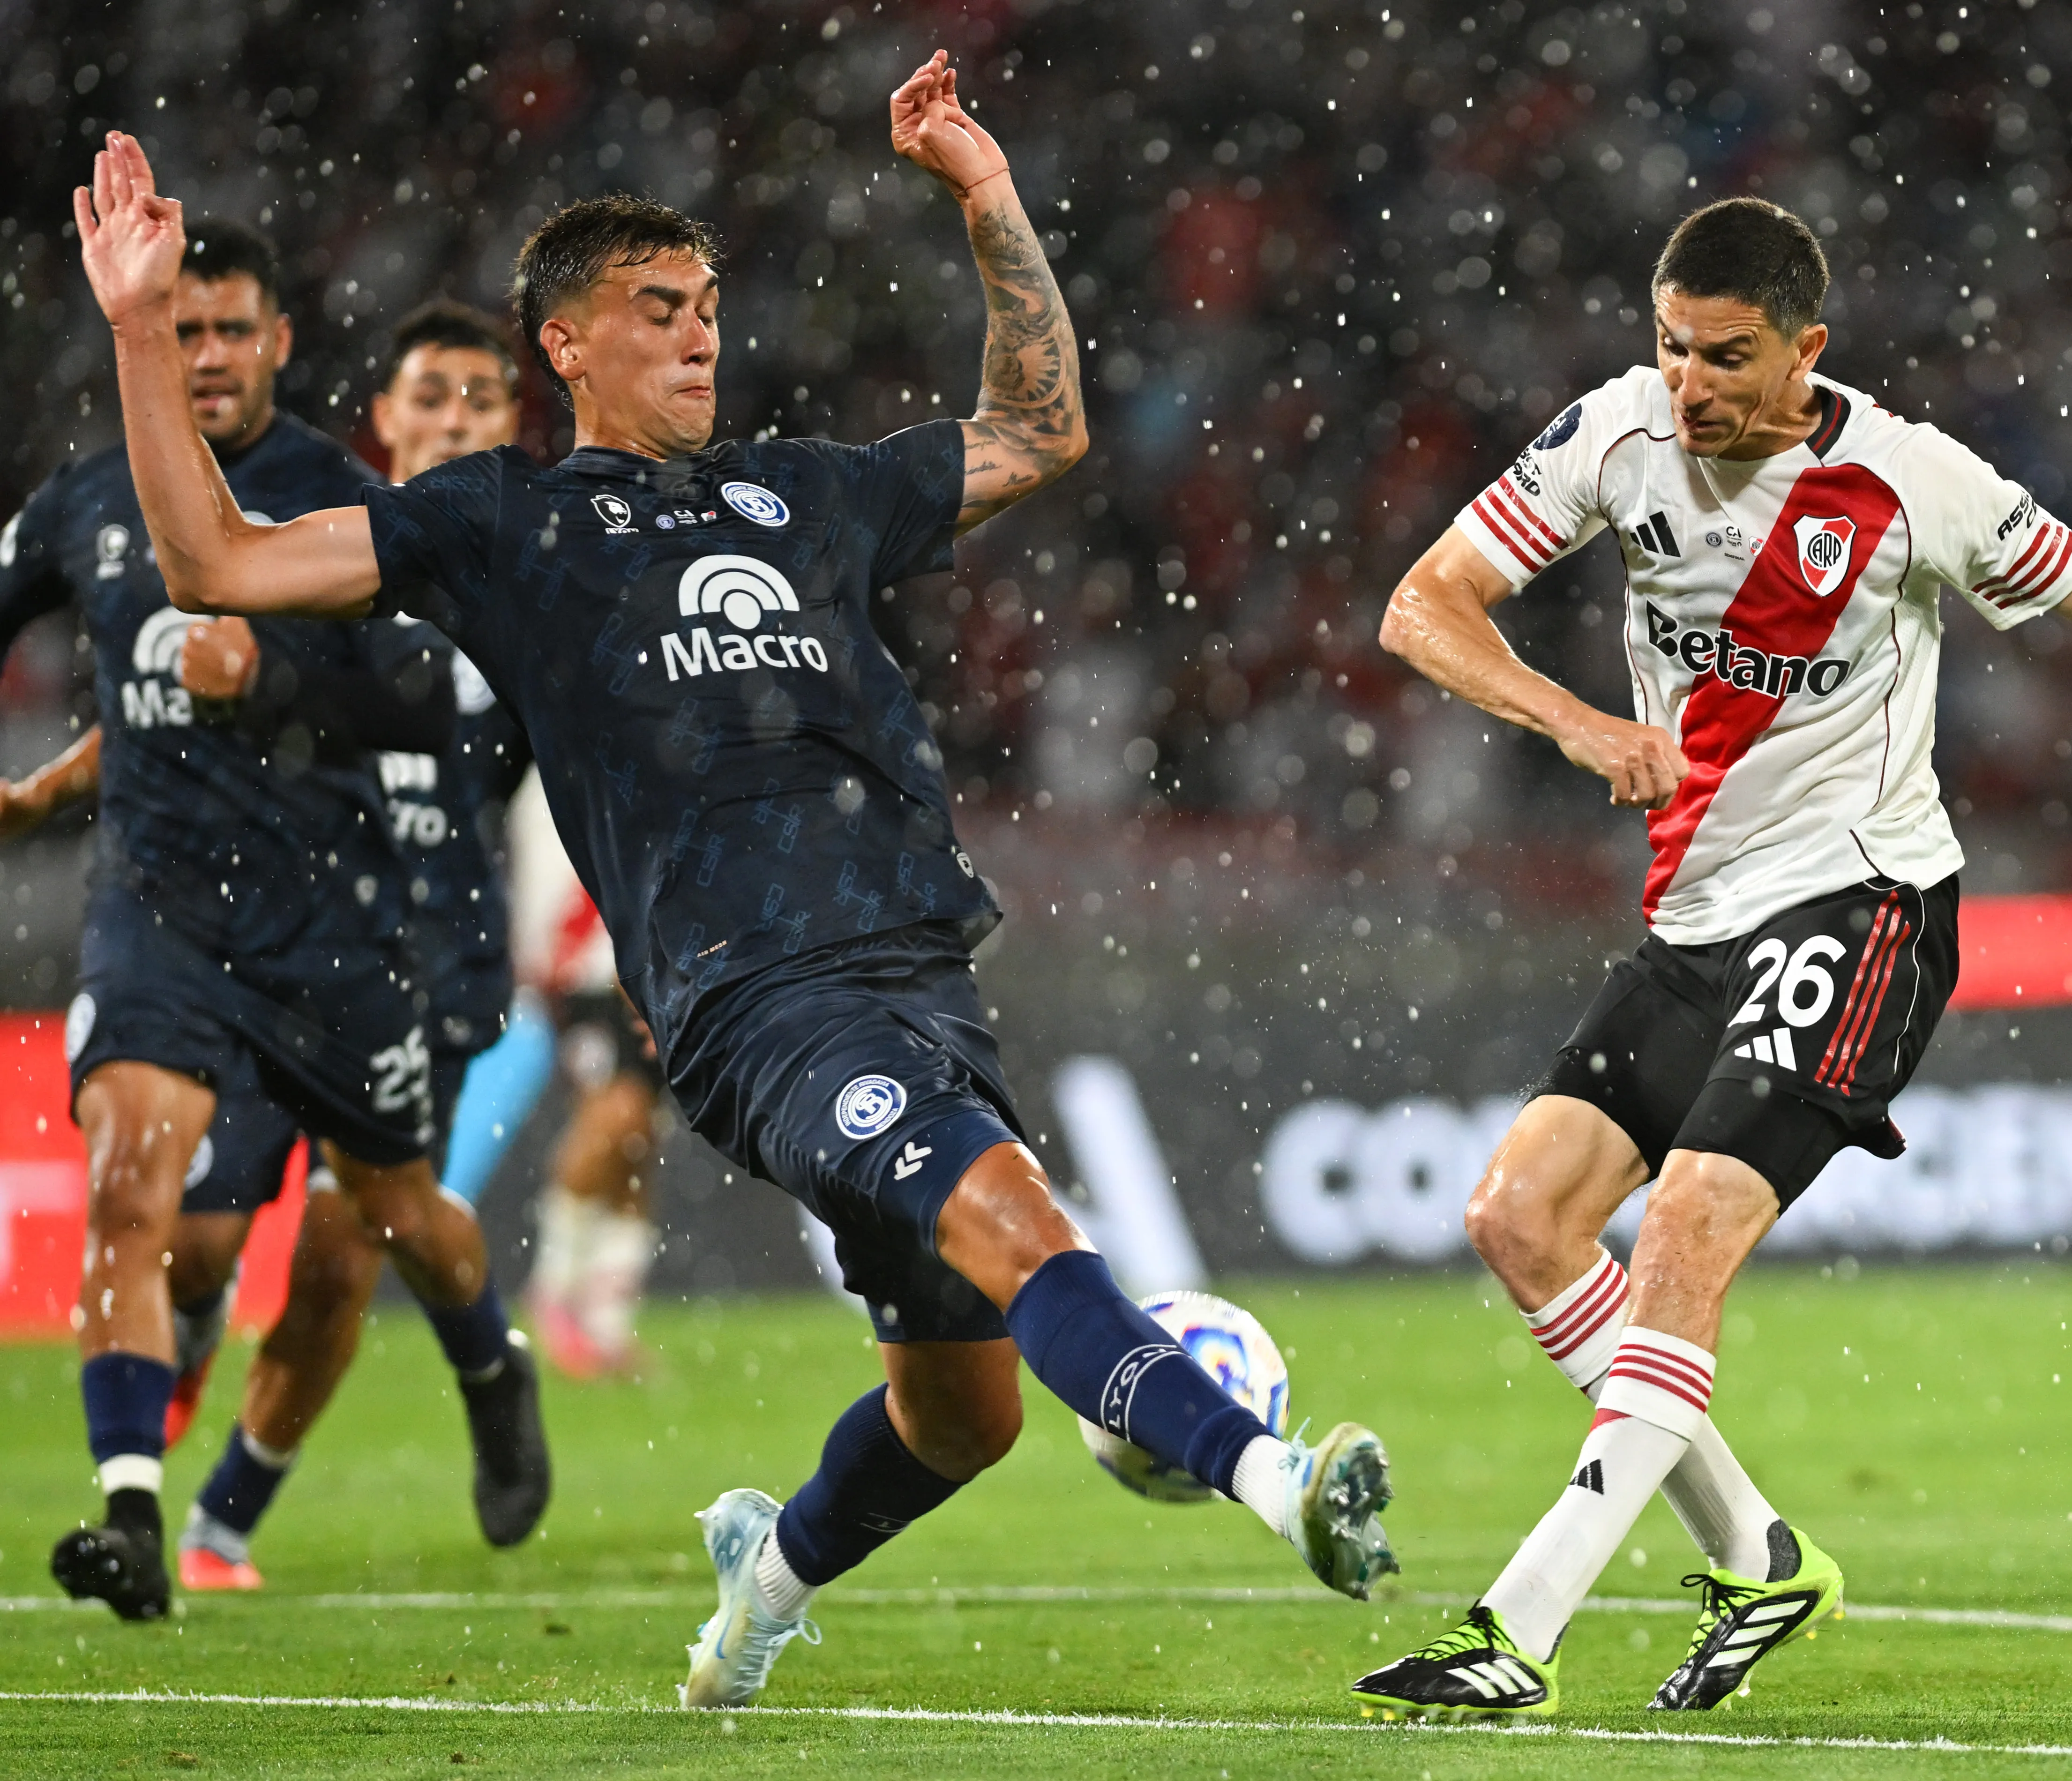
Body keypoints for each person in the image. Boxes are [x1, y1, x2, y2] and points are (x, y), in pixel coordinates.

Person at [69, 50, 1397, 1710]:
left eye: (708, 299)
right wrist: (137, 326)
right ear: (564, 344)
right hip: (750, 1000)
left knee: (961, 1417)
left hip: (912, 968)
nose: (702, 327)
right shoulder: (506, 523)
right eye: (658, 305)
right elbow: (218, 562)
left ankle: (759, 1589)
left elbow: (1040, 426)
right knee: (1017, 1220)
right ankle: (1275, 1483)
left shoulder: (810, 494)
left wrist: (988, 200)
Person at [1351, 197, 2072, 1719]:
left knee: (1686, 1218)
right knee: (1521, 1217)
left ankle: (1520, 1626)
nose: (1691, 385)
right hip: (1697, 924)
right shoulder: (1612, 440)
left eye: (1728, 356)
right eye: (1673, 348)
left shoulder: (1909, 480)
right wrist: (1575, 723)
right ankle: (1760, 1557)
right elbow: (1424, 606)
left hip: (1864, 904)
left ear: (1809, 348)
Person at [0, 220, 550, 1620]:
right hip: (165, 923)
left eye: (230, 330)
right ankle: (139, 1507)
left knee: (376, 1232)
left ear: (280, 343)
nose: (206, 358)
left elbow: (426, 699)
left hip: (353, 936)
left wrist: (274, 683)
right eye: (179, 332)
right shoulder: (87, 501)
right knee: (151, 1212)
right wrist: (53, 787)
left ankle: (487, 1368)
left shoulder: (347, 505)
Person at [168, 298, 542, 1589]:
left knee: (341, 1255)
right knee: (199, 1240)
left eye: (479, 400)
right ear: (380, 421)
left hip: (428, 955)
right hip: (276, 942)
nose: (452, 418)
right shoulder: (306, 555)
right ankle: (479, 1352)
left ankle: (223, 1522)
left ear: (513, 425)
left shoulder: (536, 588)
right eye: (427, 395)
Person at [506, 771, 664, 1381]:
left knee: (641, 1136)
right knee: (615, 1115)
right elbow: (555, 870)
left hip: (643, 965)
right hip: (589, 975)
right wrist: (557, 962)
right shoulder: (554, 765)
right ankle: (553, 1288)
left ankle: (606, 1320)